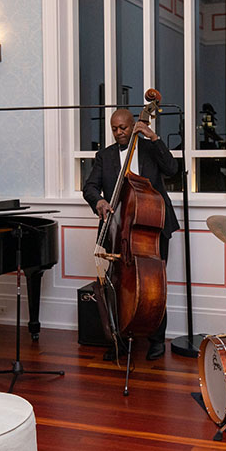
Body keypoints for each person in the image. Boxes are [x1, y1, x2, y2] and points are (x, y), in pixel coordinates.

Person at [83, 109, 179, 361]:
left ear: (132, 126)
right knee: (116, 285)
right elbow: (90, 187)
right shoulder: (104, 156)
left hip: (152, 227)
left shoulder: (148, 148)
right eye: (114, 129)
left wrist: (153, 137)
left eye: (123, 128)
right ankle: (120, 339)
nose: (118, 133)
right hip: (119, 230)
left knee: (152, 284)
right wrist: (100, 202)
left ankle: (156, 340)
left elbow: (172, 169)